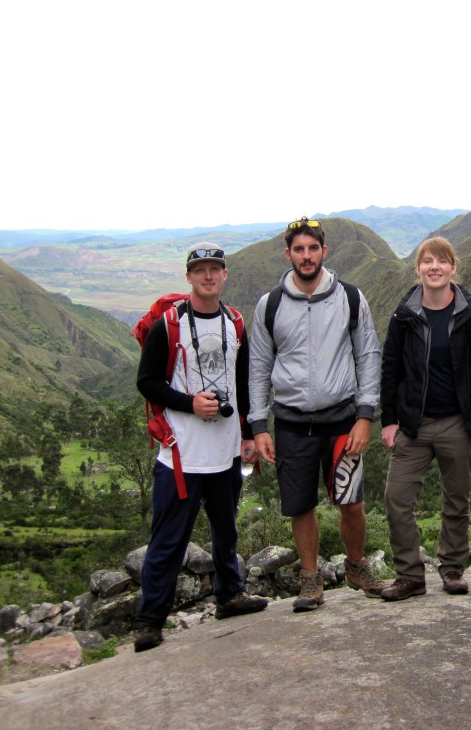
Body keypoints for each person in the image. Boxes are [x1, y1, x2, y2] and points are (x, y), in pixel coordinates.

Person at [133, 242, 268, 652]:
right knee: (168, 540)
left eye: (215, 269)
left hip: (225, 451)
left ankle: (230, 595)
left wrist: (248, 433)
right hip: (181, 454)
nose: (208, 276)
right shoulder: (168, 326)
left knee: (225, 530)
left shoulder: (235, 324)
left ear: (225, 275)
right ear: (189, 277)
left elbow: (244, 383)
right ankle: (150, 620)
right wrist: (188, 403)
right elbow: (148, 381)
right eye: (200, 270)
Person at [249, 218, 385, 612]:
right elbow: (259, 366)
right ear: (288, 254)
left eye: (312, 248)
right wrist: (259, 426)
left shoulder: (351, 297)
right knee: (300, 505)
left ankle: (357, 566)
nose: (306, 256)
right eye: (298, 249)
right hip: (292, 422)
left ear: (324, 252)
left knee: (351, 501)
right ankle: (312, 579)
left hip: (343, 419)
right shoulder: (270, 304)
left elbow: (368, 356)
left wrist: (365, 416)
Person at [378, 237, 471, 601]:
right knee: (396, 498)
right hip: (413, 422)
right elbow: (391, 367)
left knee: (457, 499)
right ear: (418, 268)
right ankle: (410, 575)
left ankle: (452, 568)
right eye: (427, 261)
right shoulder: (404, 314)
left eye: (441, 261)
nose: (434, 267)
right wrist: (389, 419)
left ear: (452, 267)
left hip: (457, 421)